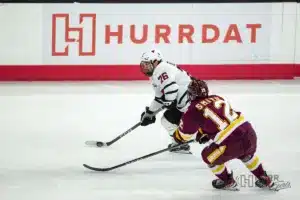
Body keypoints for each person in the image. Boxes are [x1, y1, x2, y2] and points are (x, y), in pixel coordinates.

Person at [172, 79, 275, 190]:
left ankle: (228, 181)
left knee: (208, 157)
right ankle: (263, 176)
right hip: (249, 134)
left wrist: (177, 137)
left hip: (230, 144)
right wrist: (204, 132)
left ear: (191, 94)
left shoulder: (192, 110)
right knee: (246, 153)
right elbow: (221, 120)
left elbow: (184, 136)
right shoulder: (217, 97)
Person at [139, 49, 196, 154]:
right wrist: (149, 113)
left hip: (192, 104)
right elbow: (159, 97)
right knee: (167, 120)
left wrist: (169, 101)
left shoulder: (162, 68)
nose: (145, 67)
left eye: (147, 64)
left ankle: (183, 142)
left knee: (169, 120)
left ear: (156, 62)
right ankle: (181, 143)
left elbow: (172, 89)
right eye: (143, 64)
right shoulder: (157, 72)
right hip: (187, 103)